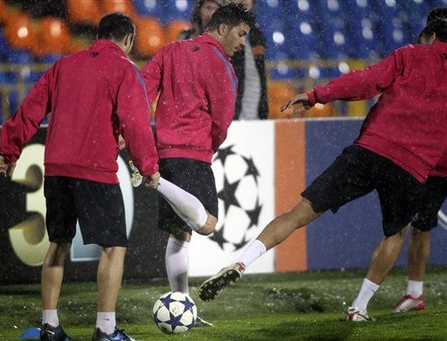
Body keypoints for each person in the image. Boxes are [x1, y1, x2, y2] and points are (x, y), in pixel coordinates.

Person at [198, 19, 447, 322]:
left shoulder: (412, 55)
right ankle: (360, 307)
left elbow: (365, 81)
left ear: (432, 37)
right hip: (412, 166)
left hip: (370, 149)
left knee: (299, 212)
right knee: (395, 234)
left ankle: (241, 262)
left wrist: (317, 95)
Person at [0, 13, 160, 341]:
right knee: (114, 247)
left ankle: (50, 326)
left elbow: (30, 109)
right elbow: (136, 122)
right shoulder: (124, 68)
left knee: (57, 244)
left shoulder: (63, 65)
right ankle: (106, 330)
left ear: (99, 35)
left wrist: (9, 150)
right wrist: (148, 164)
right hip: (95, 169)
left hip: (56, 169)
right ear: (127, 40)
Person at [141, 3, 254, 328]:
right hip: (193, 152)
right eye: (241, 34)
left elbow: (142, 93)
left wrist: (129, 130)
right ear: (222, 29)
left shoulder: (170, 50)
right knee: (208, 224)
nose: (242, 42)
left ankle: (183, 304)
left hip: (165, 149)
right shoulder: (222, 65)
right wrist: (210, 145)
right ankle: (155, 181)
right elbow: (222, 119)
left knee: (180, 235)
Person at [392, 9, 447, 313]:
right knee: (420, 226)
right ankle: (415, 293)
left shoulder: (420, 56)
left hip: (431, 158)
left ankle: (415, 292)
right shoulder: (422, 57)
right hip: (432, 159)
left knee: (417, 226)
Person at [231, 0, 269, 120]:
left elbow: (260, 74)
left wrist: (263, 107)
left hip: (252, 106)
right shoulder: (223, 32)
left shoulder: (256, 33)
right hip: (230, 106)